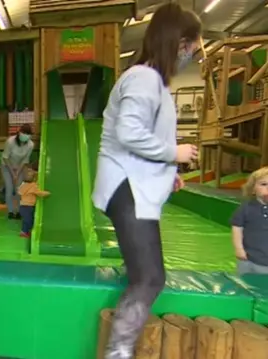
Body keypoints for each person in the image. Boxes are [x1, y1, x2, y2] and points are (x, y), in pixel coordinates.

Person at [90, 3, 201, 358]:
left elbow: (143, 140)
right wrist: (175, 154)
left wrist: (167, 176)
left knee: (145, 275)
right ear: (179, 43)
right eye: (192, 49)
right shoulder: (143, 77)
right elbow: (130, 133)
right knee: (150, 278)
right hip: (126, 189)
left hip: (133, 186)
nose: (192, 57)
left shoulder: (154, 83)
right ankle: (117, 353)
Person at [231, 167, 268, 275]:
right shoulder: (246, 208)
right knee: (247, 285)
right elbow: (237, 228)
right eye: (263, 184)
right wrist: (239, 248)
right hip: (249, 259)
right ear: (253, 189)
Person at [1, 124, 34, 220]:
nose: (25, 136)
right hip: (7, 166)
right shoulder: (10, 142)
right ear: (19, 133)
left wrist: (17, 173)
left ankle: (18, 211)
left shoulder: (30, 145)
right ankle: (10, 212)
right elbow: (5, 157)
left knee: (19, 189)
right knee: (9, 188)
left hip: (19, 167)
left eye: (27, 134)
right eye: (24, 133)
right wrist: (12, 173)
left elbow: (25, 160)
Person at [17, 167, 50, 238]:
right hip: (28, 206)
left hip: (23, 206)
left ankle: (25, 231)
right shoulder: (33, 186)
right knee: (28, 220)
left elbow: (19, 192)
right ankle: (23, 232)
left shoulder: (23, 185)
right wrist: (47, 193)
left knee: (27, 220)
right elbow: (39, 193)